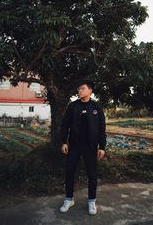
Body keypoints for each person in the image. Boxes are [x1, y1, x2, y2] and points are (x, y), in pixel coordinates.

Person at [59, 80, 106, 215]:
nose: (80, 91)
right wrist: (64, 142)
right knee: (69, 172)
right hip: (74, 146)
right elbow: (65, 125)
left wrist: (102, 146)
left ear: (90, 91)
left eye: (83, 89)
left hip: (90, 147)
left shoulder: (96, 107)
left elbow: (102, 128)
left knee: (92, 175)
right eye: (79, 89)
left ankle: (92, 201)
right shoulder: (73, 106)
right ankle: (69, 199)